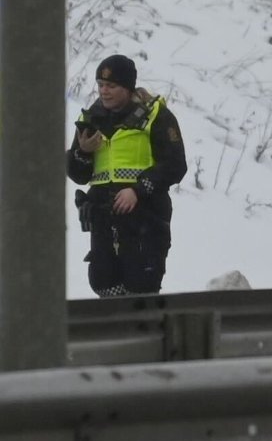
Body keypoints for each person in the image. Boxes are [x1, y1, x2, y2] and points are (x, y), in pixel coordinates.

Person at [67, 54, 187, 296]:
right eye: (100, 85)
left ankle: (141, 317)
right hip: (103, 215)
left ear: (128, 87)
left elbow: (175, 164)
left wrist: (138, 190)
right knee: (102, 282)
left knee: (141, 284)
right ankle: (118, 319)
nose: (104, 91)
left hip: (144, 214)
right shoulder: (90, 119)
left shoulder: (156, 115)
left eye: (111, 86)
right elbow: (79, 175)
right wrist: (83, 152)